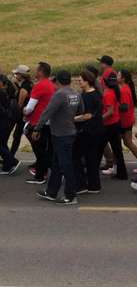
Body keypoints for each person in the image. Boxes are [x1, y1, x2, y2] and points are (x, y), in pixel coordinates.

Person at [34, 70, 83, 205]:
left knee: (65, 165)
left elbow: (47, 112)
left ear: (58, 81)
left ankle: (71, 195)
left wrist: (37, 128)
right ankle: (51, 191)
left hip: (61, 135)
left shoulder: (59, 94)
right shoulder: (75, 94)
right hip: (69, 132)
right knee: (57, 164)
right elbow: (81, 110)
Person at [72, 69, 104, 196]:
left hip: (87, 131)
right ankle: (94, 185)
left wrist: (73, 118)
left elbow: (88, 116)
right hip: (97, 130)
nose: (79, 82)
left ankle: (81, 184)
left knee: (76, 156)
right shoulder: (97, 94)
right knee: (91, 158)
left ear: (87, 81)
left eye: (80, 80)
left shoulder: (87, 96)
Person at [25, 62, 56, 184]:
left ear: (41, 72)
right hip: (49, 122)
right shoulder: (51, 85)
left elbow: (30, 108)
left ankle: (41, 175)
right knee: (46, 149)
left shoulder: (39, 86)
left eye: (37, 70)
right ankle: (41, 173)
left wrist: (23, 111)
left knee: (39, 150)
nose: (35, 72)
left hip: (38, 122)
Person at [8, 64, 33, 164]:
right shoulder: (28, 84)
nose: (15, 75)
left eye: (17, 73)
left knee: (17, 136)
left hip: (22, 116)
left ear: (21, 75)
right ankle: (10, 156)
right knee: (20, 136)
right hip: (27, 115)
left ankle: (10, 158)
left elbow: (20, 103)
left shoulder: (24, 87)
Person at [0, 70, 21, 174]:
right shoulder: (6, 91)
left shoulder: (1, 92)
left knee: (2, 143)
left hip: (4, 121)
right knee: (3, 143)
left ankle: (12, 161)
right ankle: (7, 164)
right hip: (7, 121)